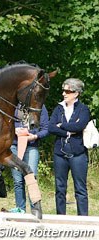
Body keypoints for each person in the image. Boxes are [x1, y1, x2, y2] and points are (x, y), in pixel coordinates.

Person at [49, 78, 90, 216]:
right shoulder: (58, 108)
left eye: (67, 91)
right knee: (60, 188)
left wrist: (61, 125)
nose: (64, 94)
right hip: (60, 153)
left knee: (80, 188)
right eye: (63, 90)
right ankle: (60, 216)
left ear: (76, 93)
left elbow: (79, 126)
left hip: (78, 154)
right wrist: (68, 131)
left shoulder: (84, 109)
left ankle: (83, 218)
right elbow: (51, 128)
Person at [10, 104, 49, 213]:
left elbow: (46, 129)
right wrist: (14, 131)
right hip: (14, 145)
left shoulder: (40, 107)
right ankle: (20, 209)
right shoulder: (14, 104)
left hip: (31, 146)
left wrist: (35, 136)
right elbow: (5, 124)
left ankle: (35, 208)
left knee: (32, 178)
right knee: (17, 180)